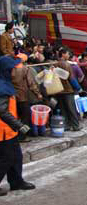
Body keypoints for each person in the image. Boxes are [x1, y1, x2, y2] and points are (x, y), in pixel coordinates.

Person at [0, 56, 35, 196]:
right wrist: (19, 125)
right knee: (7, 158)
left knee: (17, 156)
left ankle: (16, 181)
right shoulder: (2, 87)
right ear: (6, 70)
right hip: (3, 130)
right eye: (13, 69)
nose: (16, 71)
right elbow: (2, 111)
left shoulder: (6, 83)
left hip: (9, 130)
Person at [11, 54, 42, 142]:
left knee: (14, 117)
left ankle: (14, 135)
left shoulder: (10, 68)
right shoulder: (25, 69)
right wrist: (38, 94)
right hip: (23, 97)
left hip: (12, 97)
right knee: (25, 118)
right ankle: (22, 136)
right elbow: (31, 84)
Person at [56, 49, 81, 131]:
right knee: (71, 109)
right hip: (67, 90)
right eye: (67, 53)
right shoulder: (66, 65)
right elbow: (71, 78)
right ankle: (76, 126)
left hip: (59, 90)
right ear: (63, 54)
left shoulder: (55, 64)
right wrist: (78, 87)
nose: (68, 55)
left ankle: (66, 126)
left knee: (63, 109)